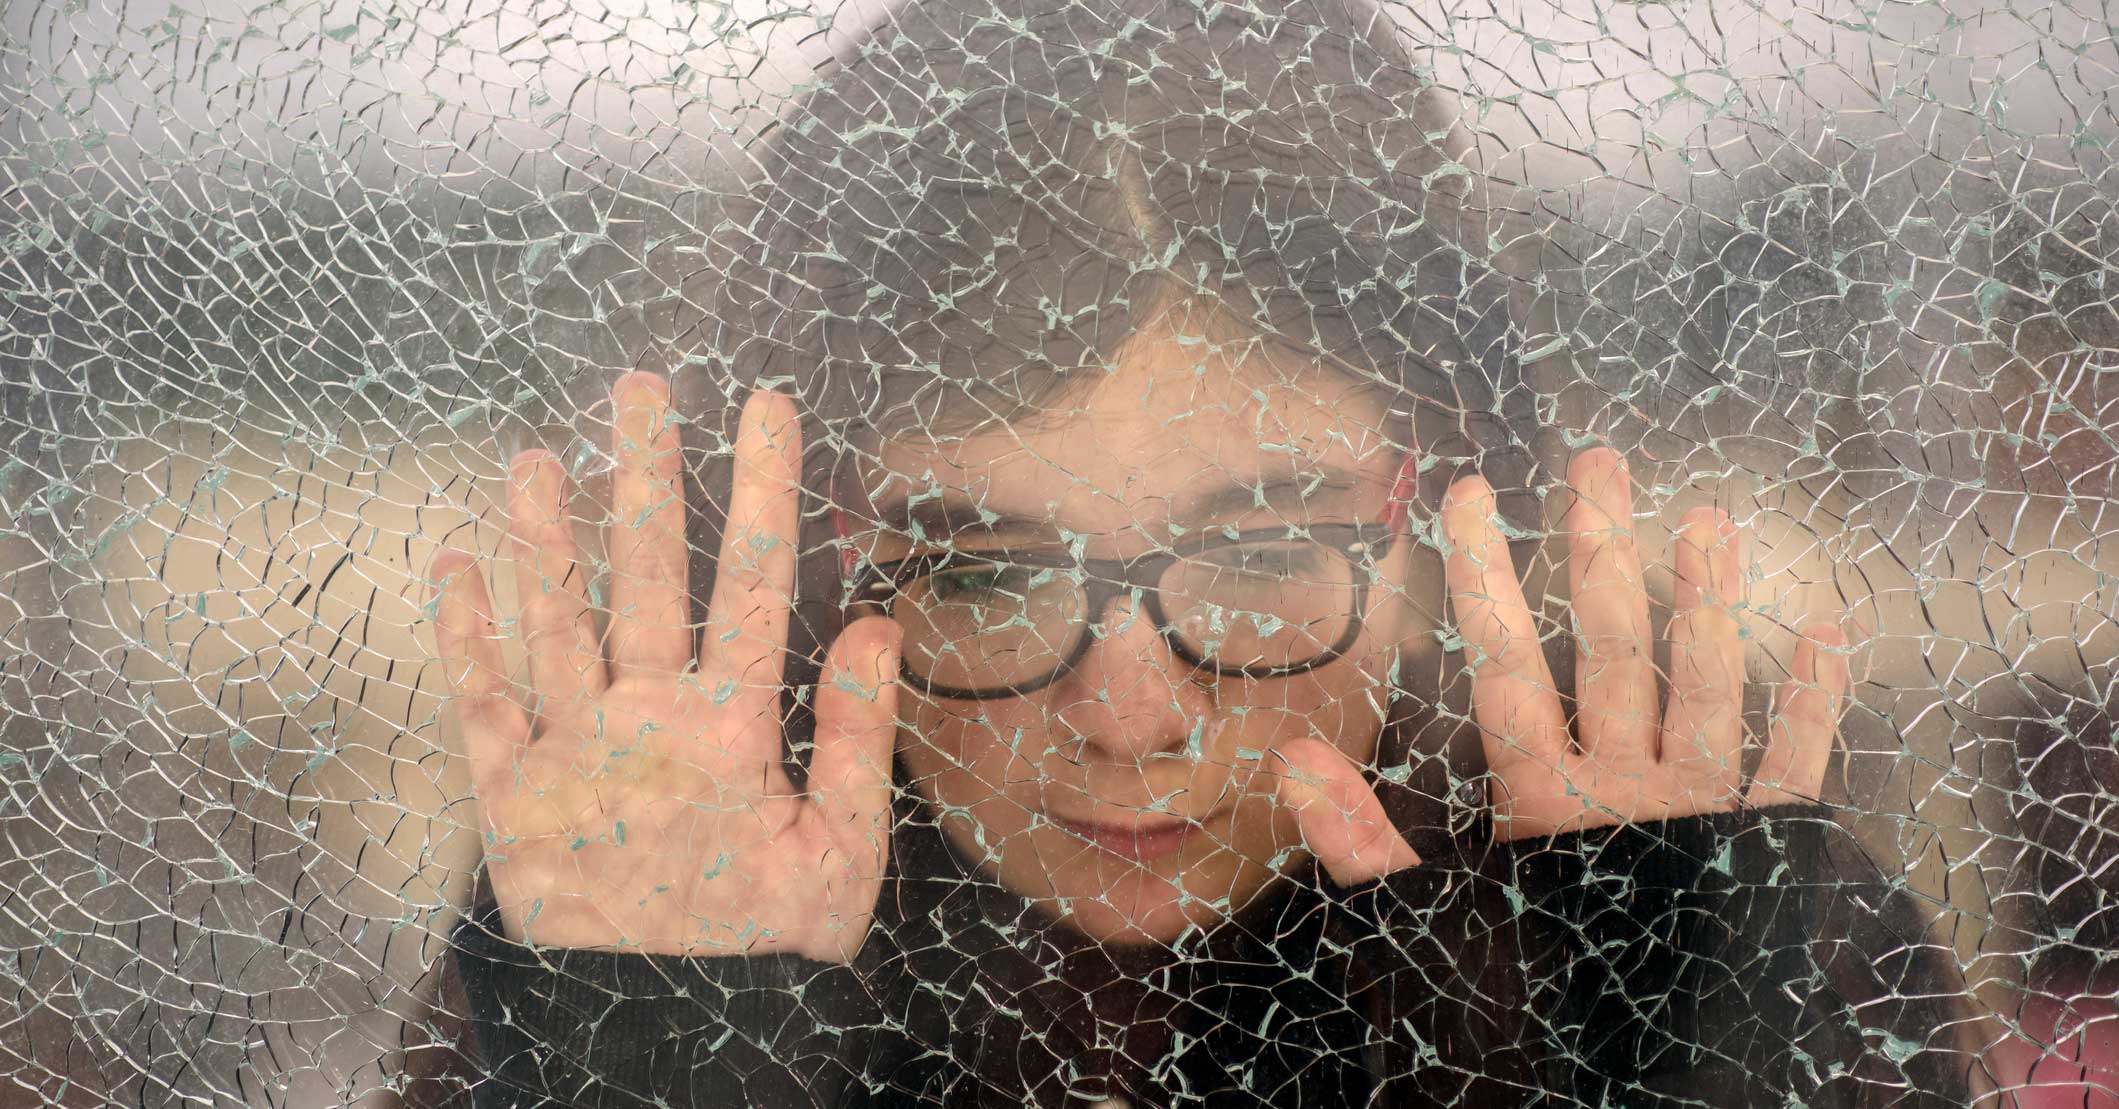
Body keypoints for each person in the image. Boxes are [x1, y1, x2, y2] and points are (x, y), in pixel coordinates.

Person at [424, 0, 1979, 1103]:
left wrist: (1667, 1052)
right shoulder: (632, 926)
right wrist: (659, 1065)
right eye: (976, 568)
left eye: (1265, 548)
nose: (1130, 712)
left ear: (1449, 522)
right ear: (814, 582)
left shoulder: (1699, 925)